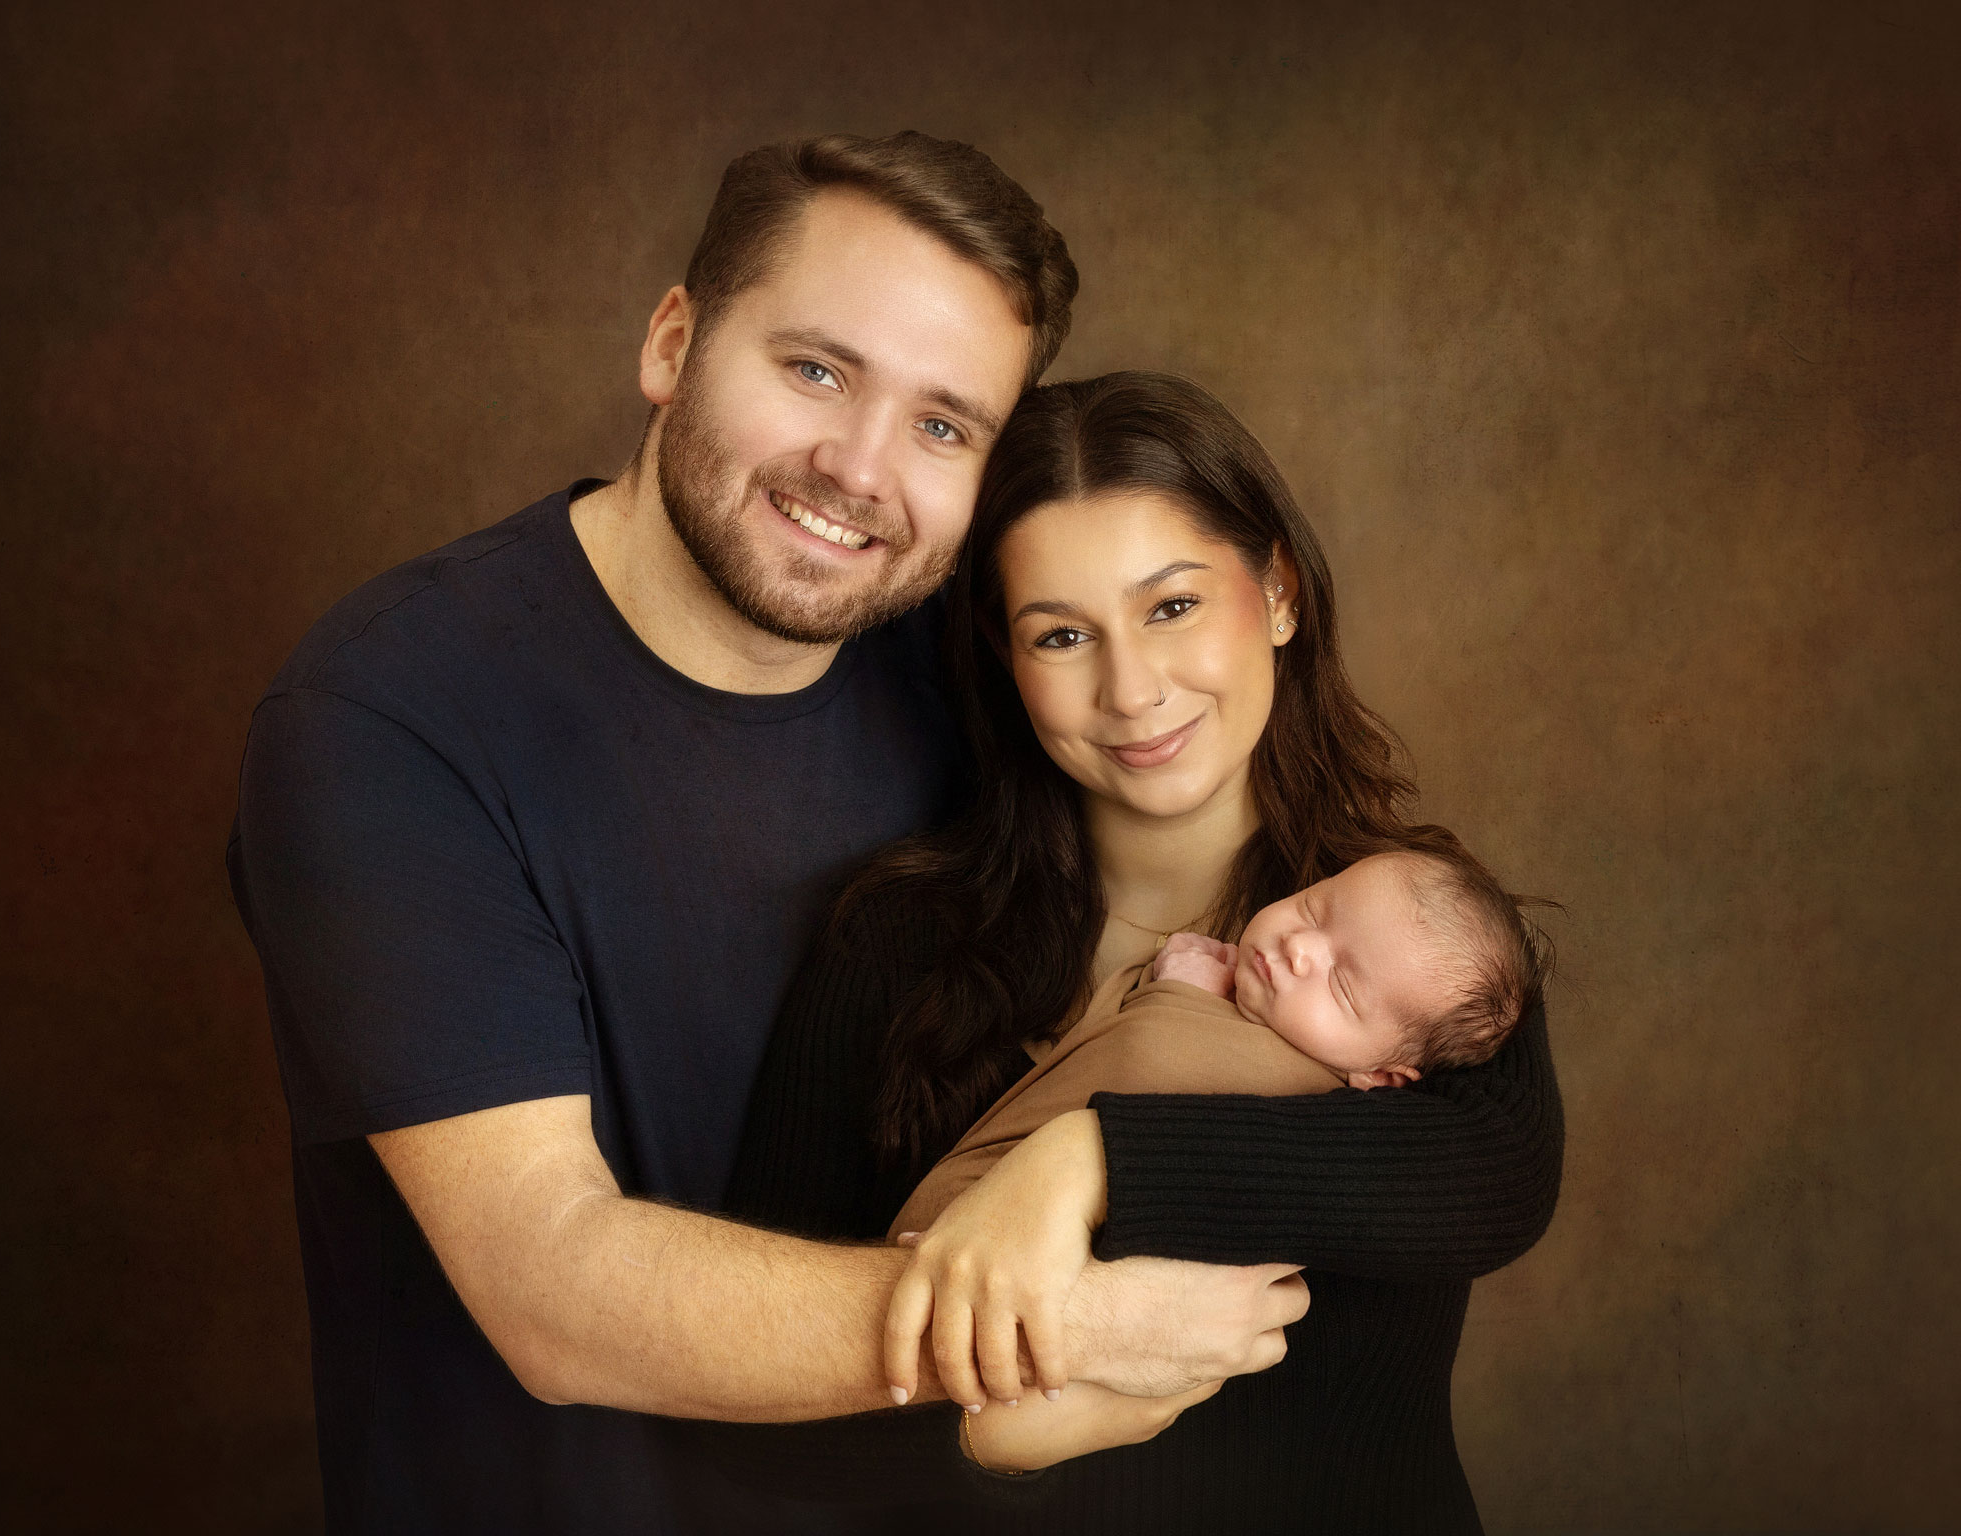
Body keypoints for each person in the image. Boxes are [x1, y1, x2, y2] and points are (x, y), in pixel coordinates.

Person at [228, 133, 1311, 1535]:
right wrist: (1057, 1326)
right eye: (816, 369)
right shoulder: (388, 718)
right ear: (673, 342)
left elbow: (1251, 981)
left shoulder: (982, 678)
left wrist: (1094, 1167)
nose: (858, 469)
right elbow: (552, 1287)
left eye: (944, 425)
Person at [723, 372, 1567, 1531]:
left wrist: (1084, 1159)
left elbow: (1497, 1181)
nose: (1129, 690)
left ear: (1275, 593)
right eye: (1061, 635)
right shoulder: (894, 941)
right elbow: (743, 1387)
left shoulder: (1406, 930)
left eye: (1170, 607)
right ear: (1006, 662)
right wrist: (995, 1438)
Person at [889, 843, 1553, 1240]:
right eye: (1315, 908)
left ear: (1381, 1078)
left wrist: (1175, 994)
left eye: (1343, 987)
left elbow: (1149, 1064)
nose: (1298, 949)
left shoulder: (1305, 1106)